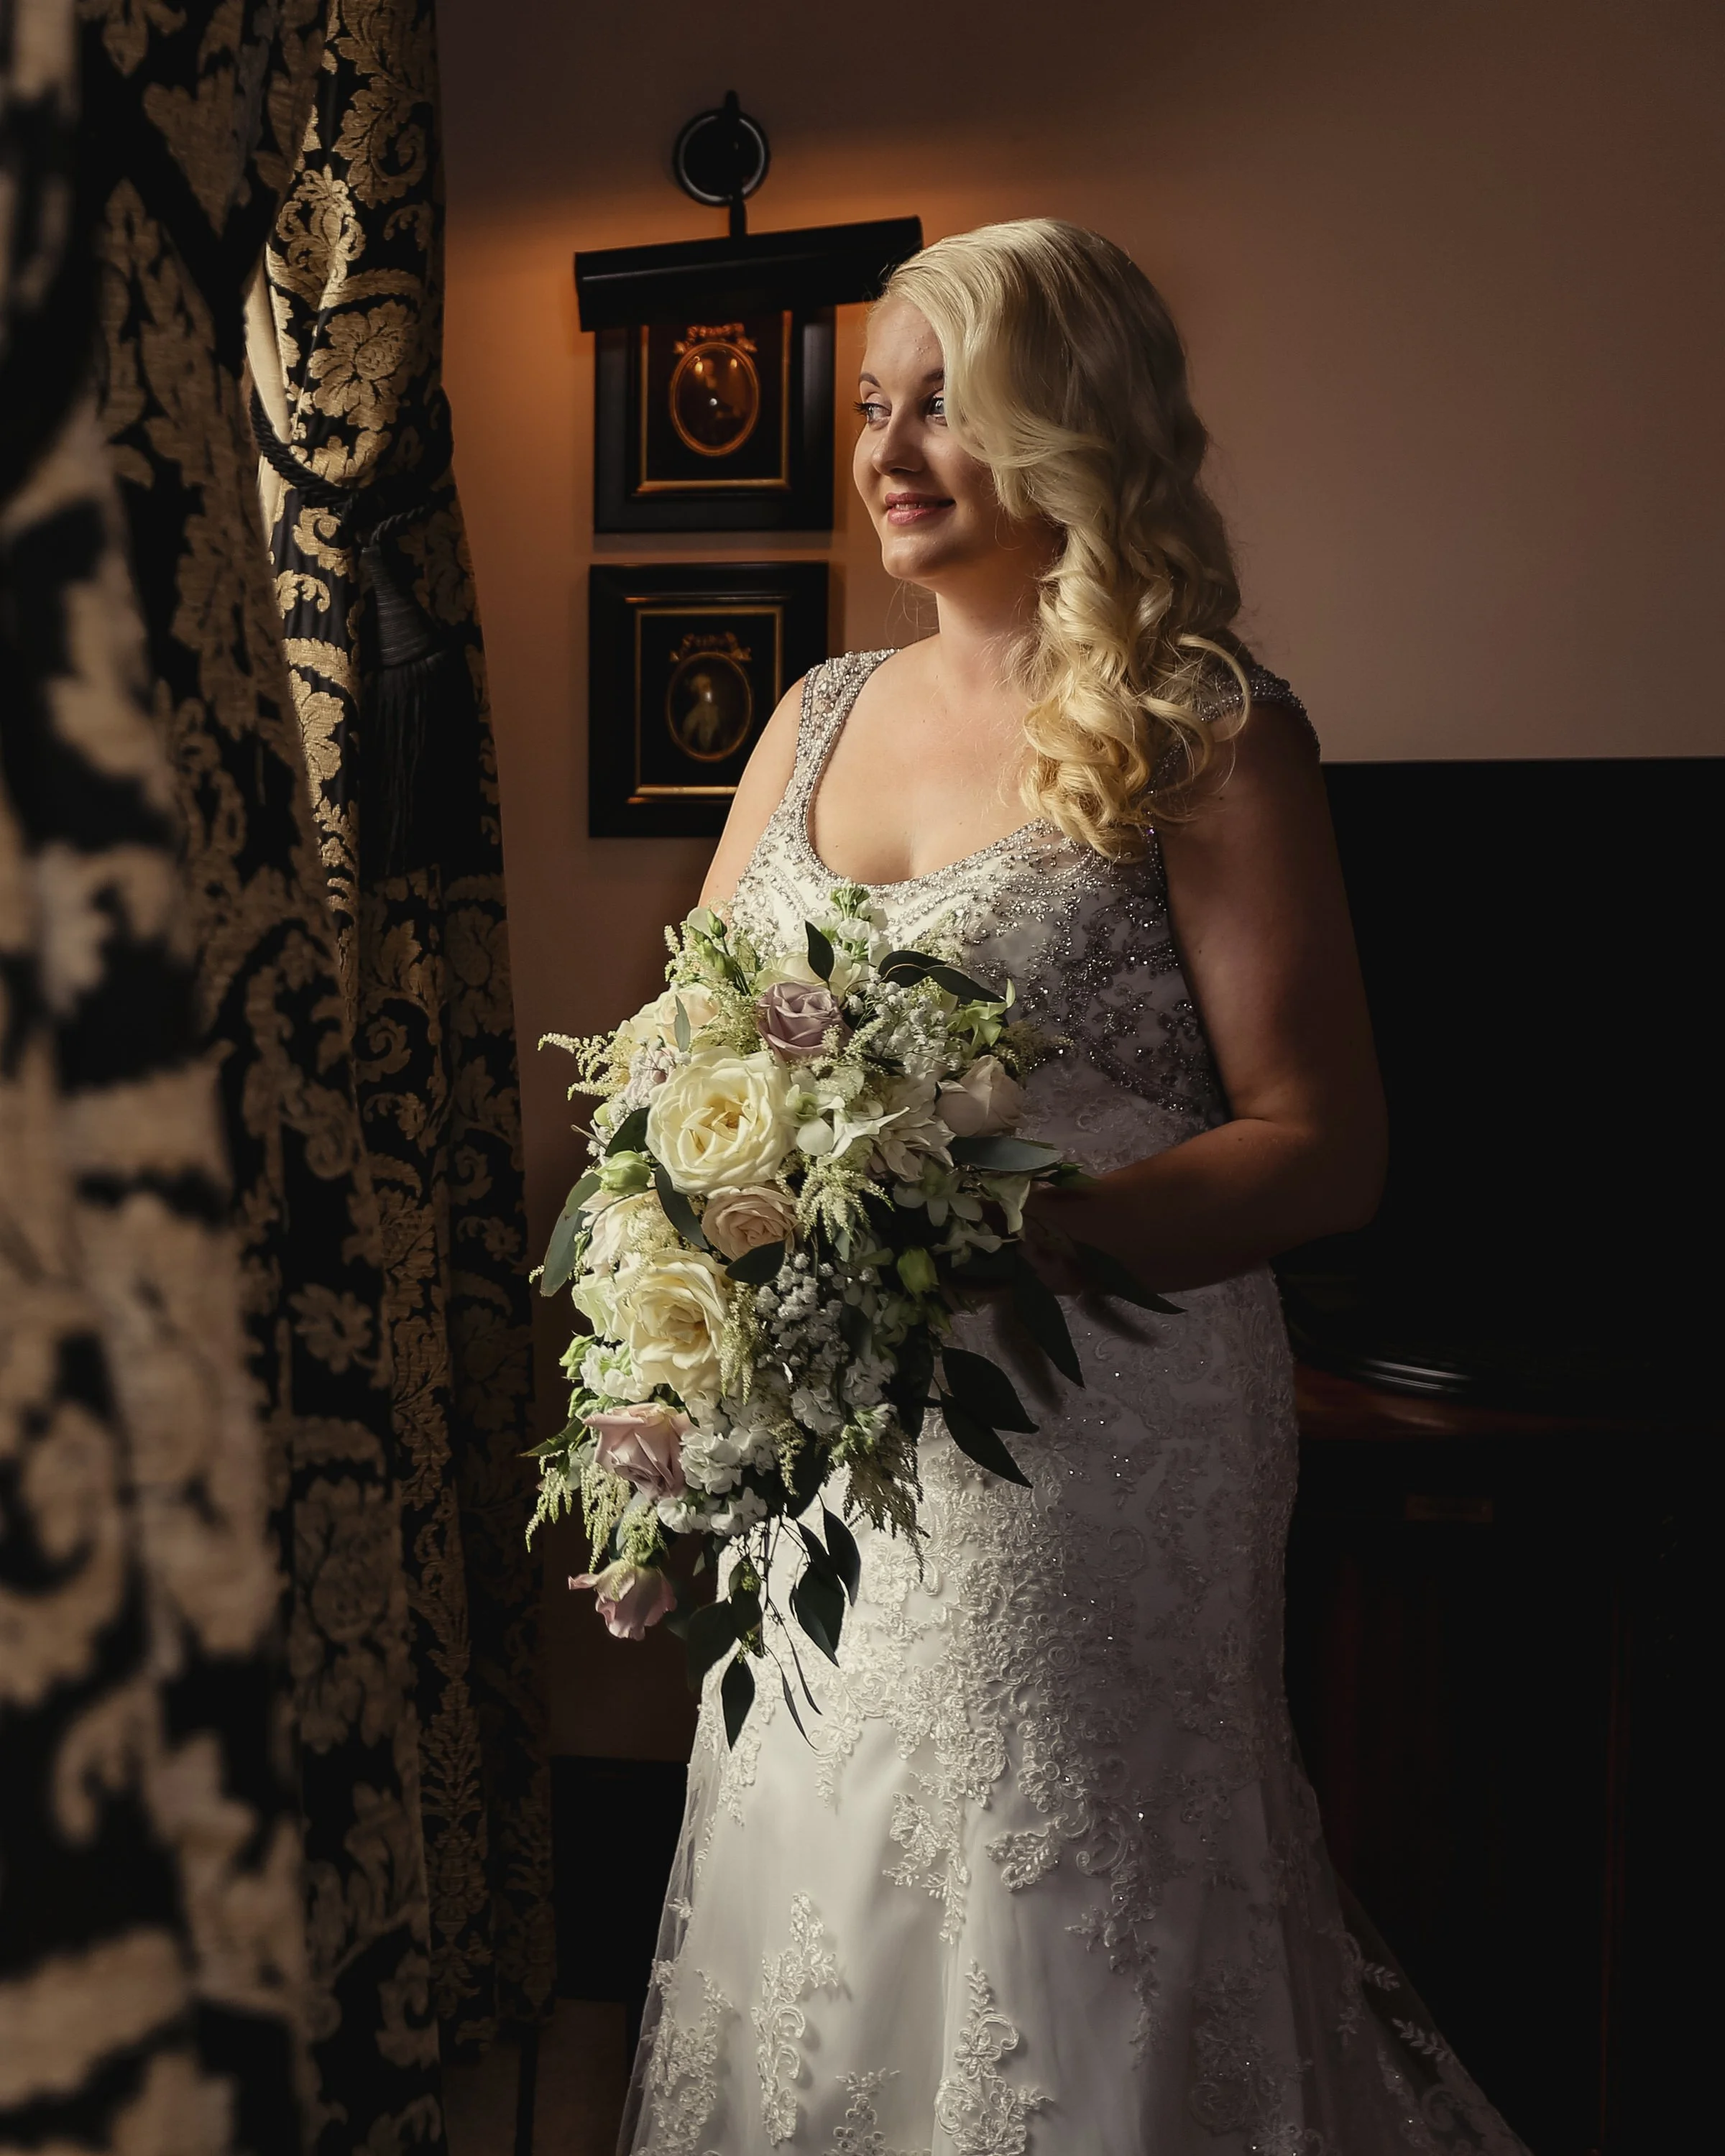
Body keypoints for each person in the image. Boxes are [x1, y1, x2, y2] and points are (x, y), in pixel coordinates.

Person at [620, 218, 1524, 2155]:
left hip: (1094, 1430)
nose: (885, 449)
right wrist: (691, 1297)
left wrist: (1001, 1236)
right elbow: (676, 1074)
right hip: (834, 1442)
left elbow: (1324, 1140)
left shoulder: (1204, 728)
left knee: (1054, 1891)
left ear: (1073, 425)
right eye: (873, 406)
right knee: (822, 1863)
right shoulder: (814, 714)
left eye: (945, 404)